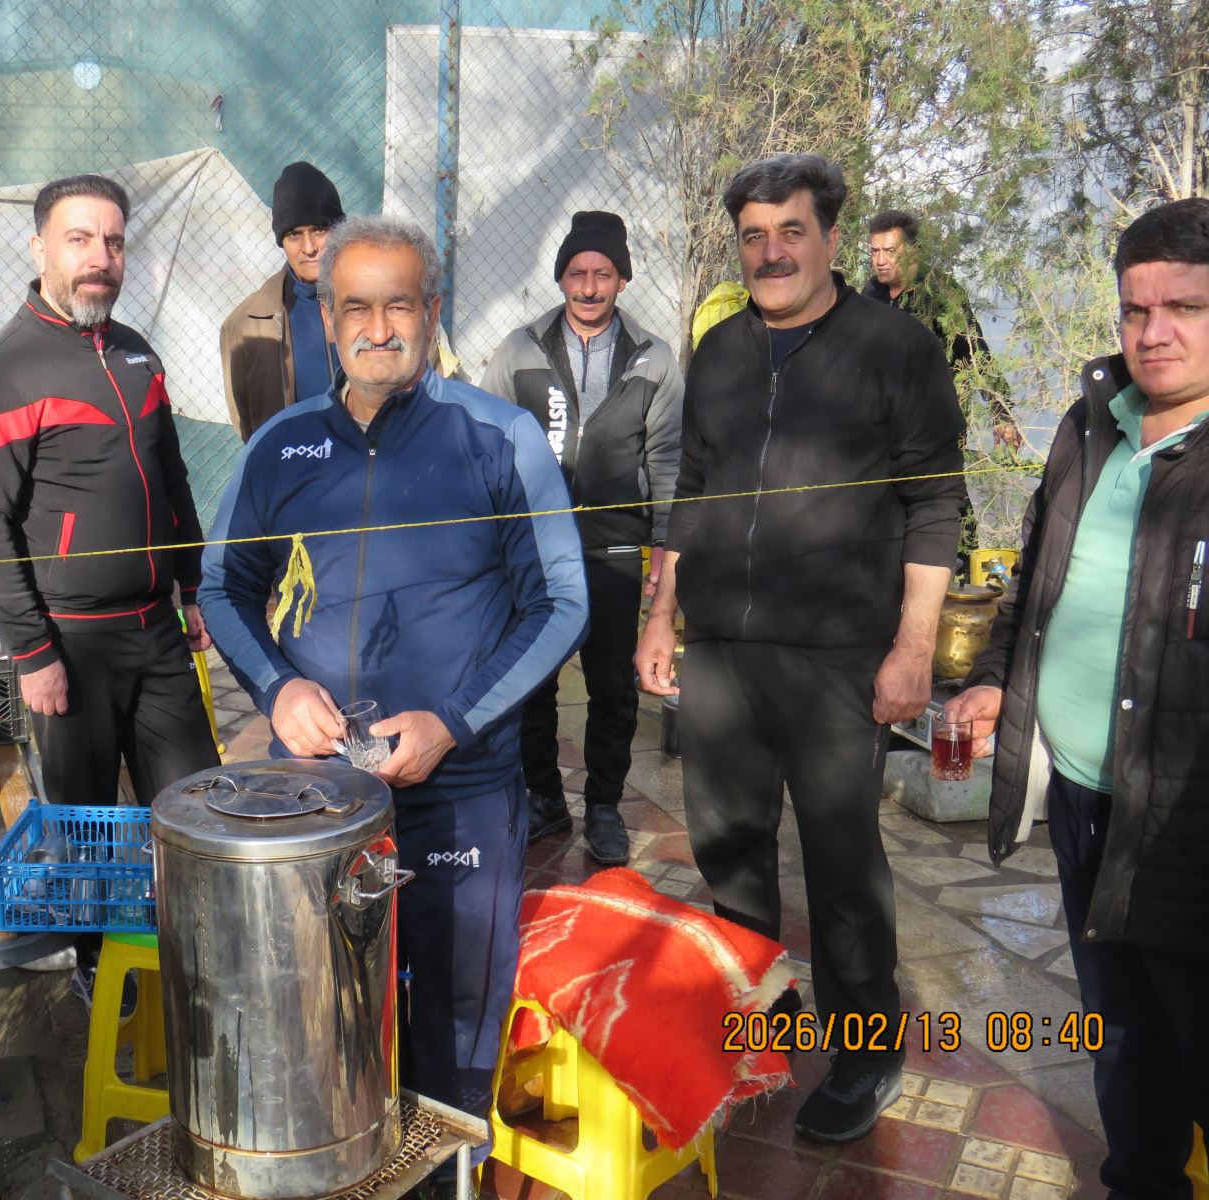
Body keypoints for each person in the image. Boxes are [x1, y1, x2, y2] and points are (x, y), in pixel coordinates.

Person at [197, 215, 587, 1193]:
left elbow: (561, 602)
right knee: (325, 1028)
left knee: (454, 1032)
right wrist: (278, 687)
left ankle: (450, 1181)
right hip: (319, 800)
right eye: (356, 308)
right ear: (327, 319)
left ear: (432, 312)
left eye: (399, 305)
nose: (379, 328)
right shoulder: (282, 446)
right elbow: (221, 588)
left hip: (460, 790)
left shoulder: (496, 438)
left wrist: (454, 720)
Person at [634, 155, 967, 1143]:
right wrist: (660, 613)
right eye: (753, 235)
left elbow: (934, 504)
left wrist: (913, 650)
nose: (770, 252)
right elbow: (691, 491)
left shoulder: (895, 347)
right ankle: (762, 1022)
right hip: (723, 650)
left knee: (841, 866)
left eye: (790, 231)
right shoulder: (720, 351)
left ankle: (866, 1052)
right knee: (729, 853)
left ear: (829, 236)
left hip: (837, 657)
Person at [943, 198, 1209, 1199]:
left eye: (1184, 307)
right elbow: (1036, 587)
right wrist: (993, 681)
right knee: (1122, 1034)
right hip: (1085, 797)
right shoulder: (1092, 423)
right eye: (1136, 308)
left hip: (1186, 817)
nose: (1154, 331)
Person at [0, 174, 220, 995]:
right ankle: (97, 969)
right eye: (79, 239)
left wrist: (192, 583)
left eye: (113, 242)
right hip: (70, 642)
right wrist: (33, 652)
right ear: (40, 249)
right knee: (88, 820)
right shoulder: (0, 372)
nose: (100, 257)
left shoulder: (137, 353)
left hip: (155, 627)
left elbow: (172, 476)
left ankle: (204, 957)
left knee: (198, 800)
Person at [480, 210, 683, 864]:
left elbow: (668, 461)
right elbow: (487, 447)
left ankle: (603, 807)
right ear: (561, 277)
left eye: (602, 273)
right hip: (533, 551)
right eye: (576, 273)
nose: (589, 287)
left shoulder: (654, 358)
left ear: (622, 278)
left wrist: (664, 548)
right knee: (532, 682)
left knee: (612, 687)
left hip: (614, 550)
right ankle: (543, 797)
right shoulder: (520, 350)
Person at [865, 209, 1023, 449]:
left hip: (936, 428)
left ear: (913, 250)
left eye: (890, 251)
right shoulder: (871, 292)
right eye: (875, 251)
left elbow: (975, 352)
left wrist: (1001, 411)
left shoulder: (941, 292)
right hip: (884, 429)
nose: (880, 260)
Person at [220, 161, 346, 440]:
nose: (309, 248)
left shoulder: (380, 303)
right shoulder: (246, 326)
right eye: (294, 235)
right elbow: (249, 426)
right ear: (282, 241)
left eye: (319, 230)